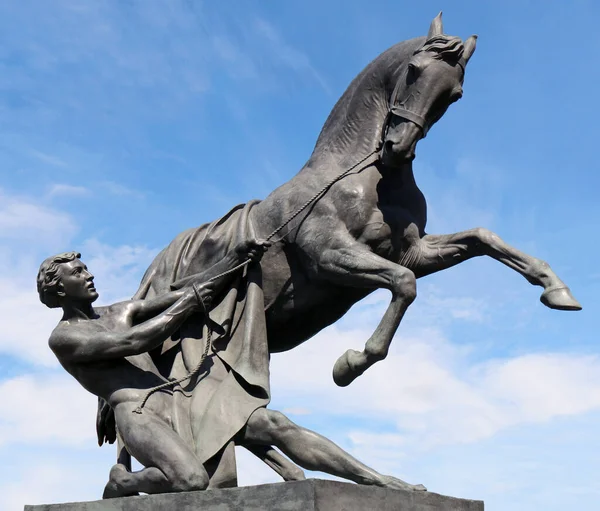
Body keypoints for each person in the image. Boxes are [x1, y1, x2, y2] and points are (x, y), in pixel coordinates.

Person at [38, 244, 422, 496]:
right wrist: (183, 309)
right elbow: (131, 343)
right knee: (190, 481)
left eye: (86, 268)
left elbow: (182, 294)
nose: (89, 275)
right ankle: (124, 482)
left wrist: (234, 259)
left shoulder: (119, 310)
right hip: (138, 413)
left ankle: (377, 480)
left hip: (180, 397)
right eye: (78, 272)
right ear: (58, 291)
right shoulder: (64, 338)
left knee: (274, 425)